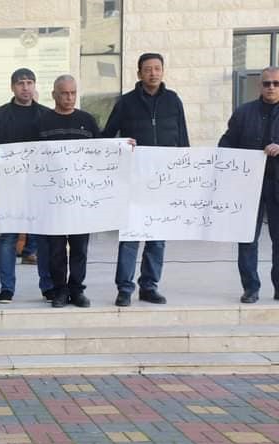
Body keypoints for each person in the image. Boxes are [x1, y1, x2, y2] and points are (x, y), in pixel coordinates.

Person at [103, 52, 189, 307]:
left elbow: (183, 138)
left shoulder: (173, 101)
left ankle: (149, 286)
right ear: (139, 73)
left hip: (164, 180)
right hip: (133, 180)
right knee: (130, 237)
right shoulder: (126, 102)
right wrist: (122, 144)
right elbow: (108, 136)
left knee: (157, 238)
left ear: (163, 71)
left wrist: (184, 171)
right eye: (148, 69)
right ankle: (124, 289)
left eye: (157, 68)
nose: (153, 73)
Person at [0, 67, 53, 304]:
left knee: (43, 238)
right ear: (12, 87)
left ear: (35, 86)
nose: (25, 87)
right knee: (8, 238)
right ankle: (7, 289)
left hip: (40, 186)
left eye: (29, 82)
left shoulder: (47, 116)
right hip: (9, 187)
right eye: (21, 83)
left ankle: (48, 286)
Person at [36, 75, 101, 308]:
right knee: (55, 249)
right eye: (64, 93)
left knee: (79, 247)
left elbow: (102, 153)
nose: (69, 97)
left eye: (73, 92)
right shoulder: (42, 122)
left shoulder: (87, 121)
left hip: (81, 198)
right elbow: (30, 156)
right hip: (52, 198)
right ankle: (60, 291)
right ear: (54, 94)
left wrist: (124, 147)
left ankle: (77, 289)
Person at [219, 66, 279, 303]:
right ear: (259, 86)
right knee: (246, 238)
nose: (271, 87)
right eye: (267, 83)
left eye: (276, 83)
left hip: (277, 184)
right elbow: (226, 143)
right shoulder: (243, 112)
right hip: (248, 186)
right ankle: (250, 288)